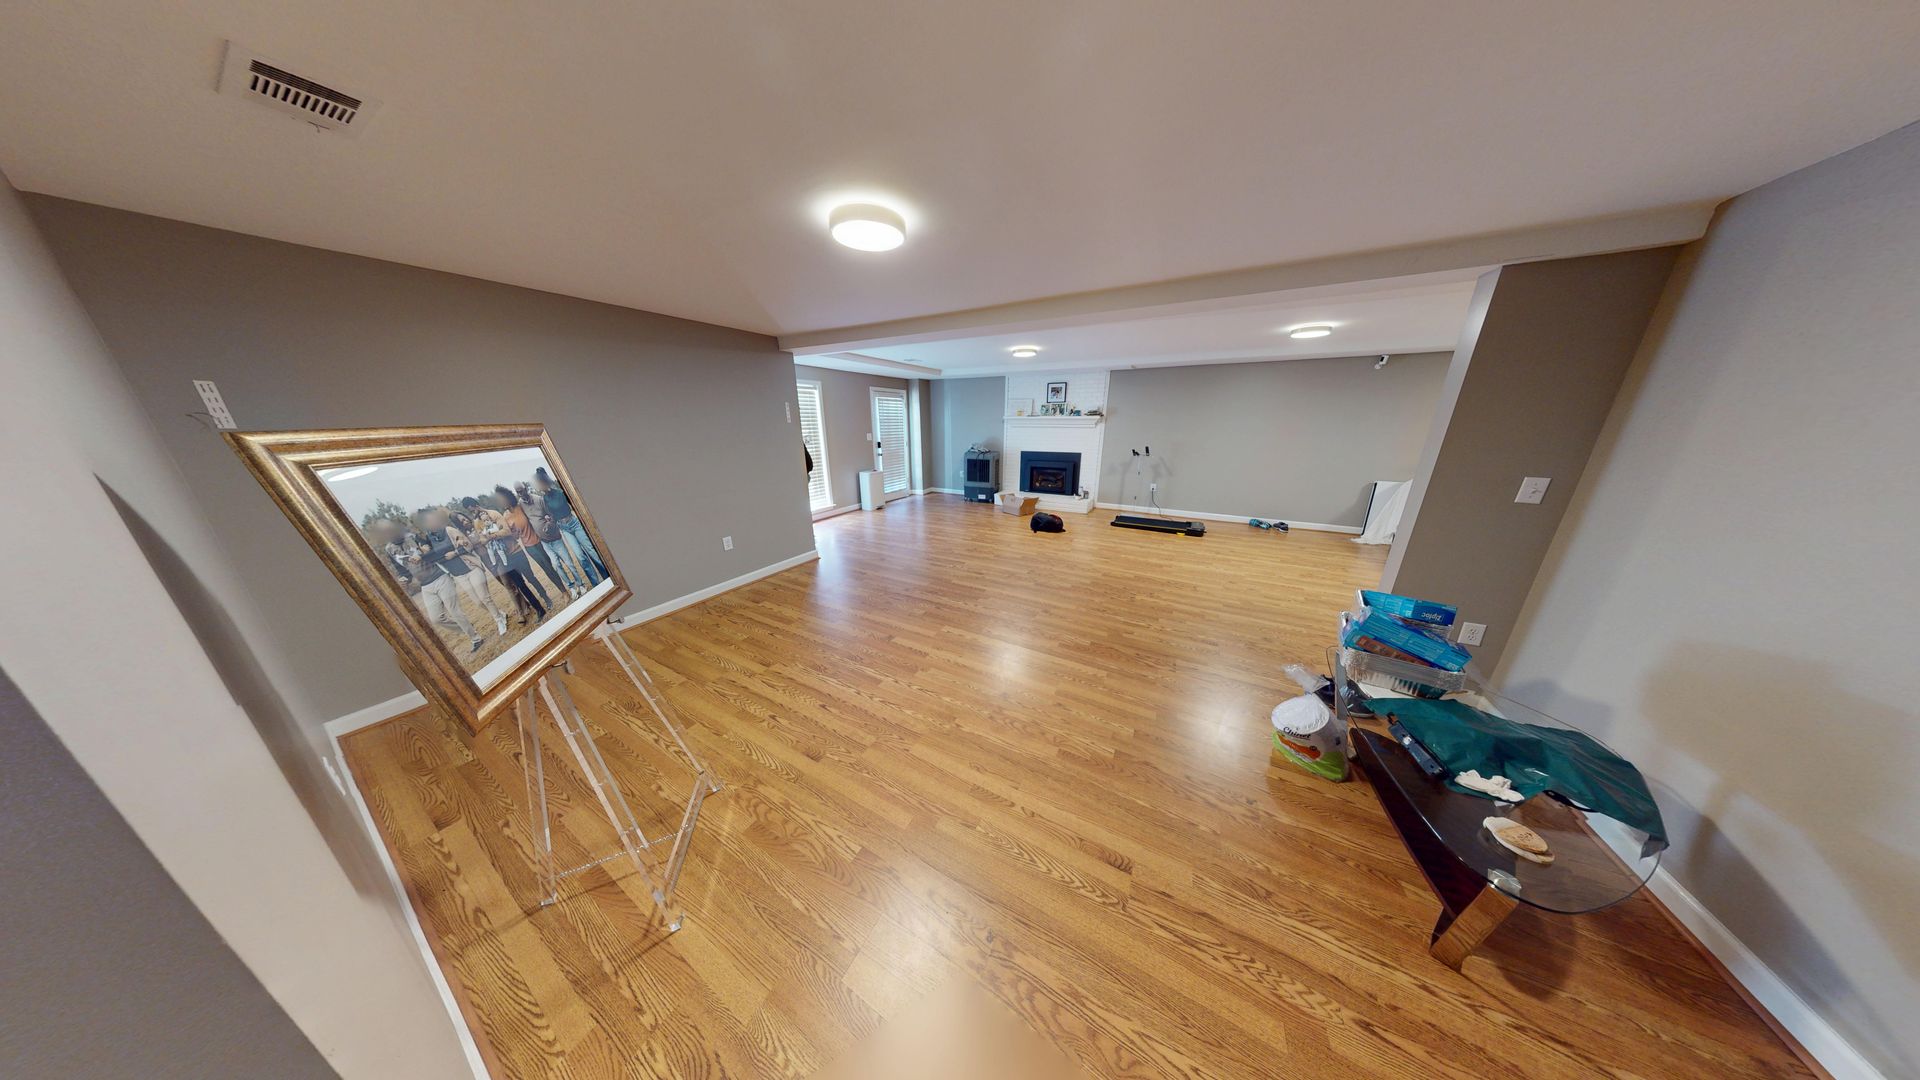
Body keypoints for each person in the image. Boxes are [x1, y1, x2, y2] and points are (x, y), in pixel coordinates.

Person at [412, 506, 509, 643]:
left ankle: (499, 620)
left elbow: (468, 545)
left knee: (484, 597)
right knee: (478, 602)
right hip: (458, 575)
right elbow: (431, 556)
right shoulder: (430, 539)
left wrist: (455, 553)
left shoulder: (449, 530)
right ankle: (499, 614)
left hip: (471, 568)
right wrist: (420, 555)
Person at [458, 496, 548, 623]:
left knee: (531, 578)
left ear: (476, 505)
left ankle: (546, 598)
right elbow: (482, 540)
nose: (473, 513)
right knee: (521, 585)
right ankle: (539, 609)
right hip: (505, 558)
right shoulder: (477, 522)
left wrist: (491, 536)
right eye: (470, 511)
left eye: (473, 510)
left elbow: (507, 531)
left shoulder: (494, 514)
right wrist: (486, 538)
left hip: (516, 552)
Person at [495, 485, 572, 601]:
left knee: (554, 564)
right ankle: (564, 591)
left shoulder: (521, 506)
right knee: (547, 569)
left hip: (540, 540)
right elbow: (515, 537)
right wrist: (514, 532)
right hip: (529, 547)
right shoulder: (505, 516)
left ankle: (572, 585)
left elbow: (535, 516)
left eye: (502, 499)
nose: (501, 502)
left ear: (508, 497)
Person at [532, 467, 608, 584]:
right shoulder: (544, 499)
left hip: (575, 524)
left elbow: (575, 505)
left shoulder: (560, 492)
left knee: (591, 551)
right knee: (580, 557)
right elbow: (551, 515)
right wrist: (548, 521)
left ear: (544, 482)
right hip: (564, 529)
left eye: (539, 483)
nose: (538, 486)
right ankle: (596, 583)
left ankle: (608, 577)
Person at [518, 481, 590, 598]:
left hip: (555, 538)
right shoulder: (521, 504)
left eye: (521, 491)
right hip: (544, 542)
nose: (520, 494)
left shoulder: (539, 499)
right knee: (556, 565)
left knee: (569, 563)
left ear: (526, 488)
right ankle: (571, 587)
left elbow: (552, 515)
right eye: (518, 492)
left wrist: (548, 524)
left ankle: (581, 585)